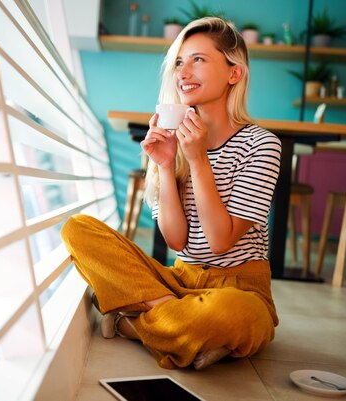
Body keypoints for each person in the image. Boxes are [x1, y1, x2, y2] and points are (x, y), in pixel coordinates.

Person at [61, 17, 281, 370]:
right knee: (77, 228)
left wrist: (198, 161)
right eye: (179, 61)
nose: (183, 71)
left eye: (198, 59)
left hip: (239, 288)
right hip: (179, 279)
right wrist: (165, 164)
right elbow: (177, 242)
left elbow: (220, 241)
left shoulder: (261, 144)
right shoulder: (174, 139)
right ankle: (179, 322)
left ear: (234, 74)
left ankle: (131, 320)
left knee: (237, 316)